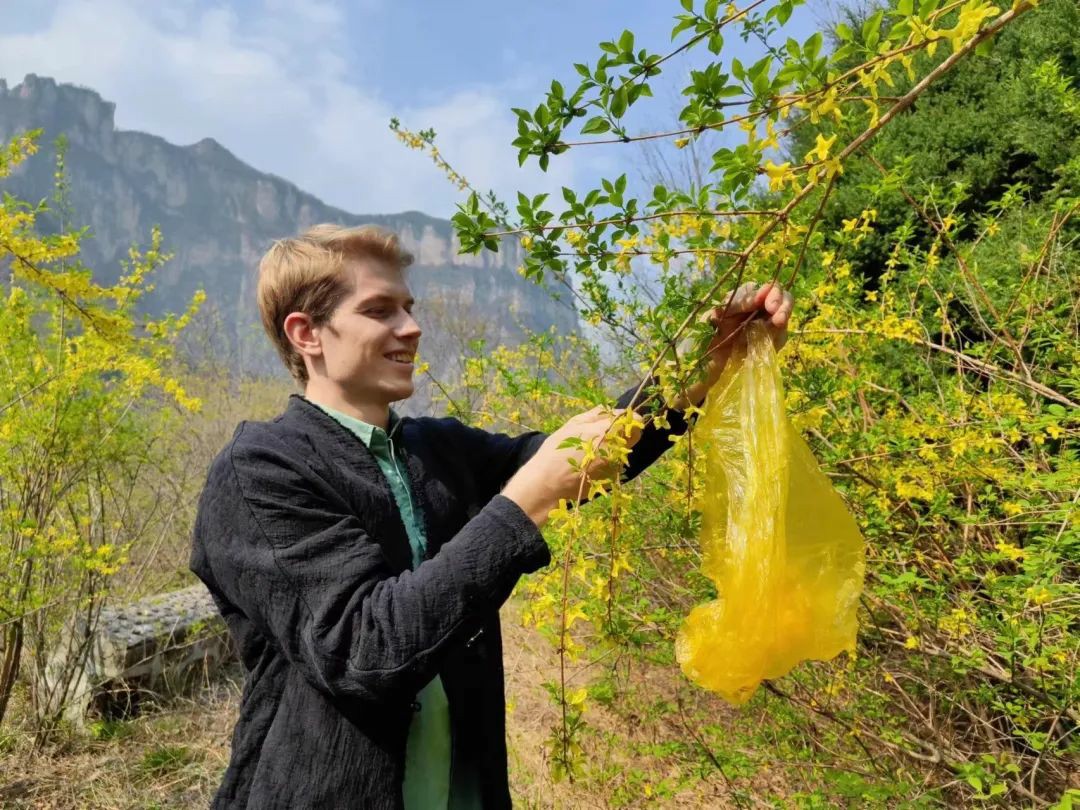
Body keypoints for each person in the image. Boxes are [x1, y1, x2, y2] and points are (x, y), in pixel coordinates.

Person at [190, 224, 793, 809]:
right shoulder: (259, 472)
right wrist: (524, 501)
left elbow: (587, 457)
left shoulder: (436, 448)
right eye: (380, 311)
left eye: (409, 306)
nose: (413, 326)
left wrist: (705, 366)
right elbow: (363, 650)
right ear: (307, 334)